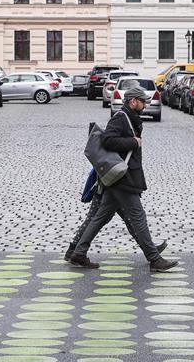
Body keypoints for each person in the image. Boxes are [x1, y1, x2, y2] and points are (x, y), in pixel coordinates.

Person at [69, 87, 178, 271]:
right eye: (143, 102)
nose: (145, 105)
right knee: (138, 217)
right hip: (123, 178)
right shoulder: (121, 117)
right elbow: (107, 140)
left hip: (121, 177)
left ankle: (78, 253)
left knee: (100, 217)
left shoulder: (131, 118)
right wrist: (133, 142)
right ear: (133, 101)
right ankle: (154, 259)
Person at [65, 166, 167, 261]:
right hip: (111, 177)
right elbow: (109, 147)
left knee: (128, 218)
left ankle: (150, 250)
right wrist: (134, 145)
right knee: (95, 218)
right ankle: (74, 250)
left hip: (112, 176)